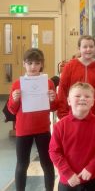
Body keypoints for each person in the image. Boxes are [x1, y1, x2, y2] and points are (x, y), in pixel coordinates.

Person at [7, 48, 57, 191]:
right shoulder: (17, 84)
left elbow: (54, 108)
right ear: (24, 64)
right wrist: (15, 100)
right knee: (22, 164)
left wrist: (53, 99)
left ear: (42, 64)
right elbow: (11, 110)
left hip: (43, 128)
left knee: (47, 163)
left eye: (37, 63)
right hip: (23, 130)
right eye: (30, 63)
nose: (33, 67)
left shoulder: (48, 83)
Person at [49, 82, 95, 191]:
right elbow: (54, 152)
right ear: (69, 101)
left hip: (93, 179)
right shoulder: (60, 126)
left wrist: (91, 167)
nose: (82, 98)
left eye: (87, 96)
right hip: (68, 181)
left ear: (92, 102)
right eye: (77, 96)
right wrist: (68, 173)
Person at [57, 35, 95, 118]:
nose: (88, 49)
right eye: (85, 47)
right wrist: (63, 114)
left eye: (91, 46)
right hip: (73, 115)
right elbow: (62, 90)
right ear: (79, 49)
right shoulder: (70, 66)